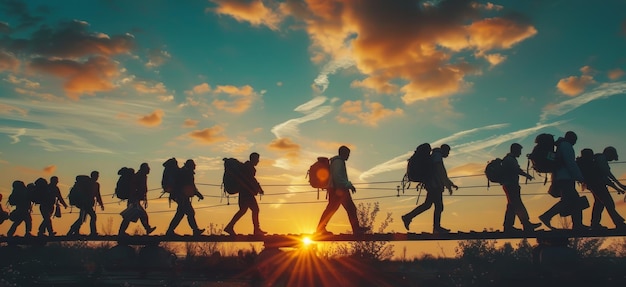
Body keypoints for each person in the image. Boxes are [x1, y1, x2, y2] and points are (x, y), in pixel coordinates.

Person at [402, 144, 458, 234]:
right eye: (448, 152)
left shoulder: (435, 155)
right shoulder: (437, 156)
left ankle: (408, 217)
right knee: (439, 206)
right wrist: (448, 184)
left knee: (427, 205)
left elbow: (440, 173)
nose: (448, 154)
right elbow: (440, 171)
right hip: (434, 185)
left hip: (432, 184)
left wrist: (449, 184)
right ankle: (436, 228)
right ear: (444, 150)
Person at [315, 146, 369, 236]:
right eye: (347, 154)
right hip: (339, 190)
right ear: (343, 153)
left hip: (336, 190)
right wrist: (348, 185)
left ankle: (320, 229)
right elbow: (338, 177)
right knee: (349, 208)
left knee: (332, 209)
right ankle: (356, 230)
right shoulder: (338, 162)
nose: (348, 156)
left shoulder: (336, 162)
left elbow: (337, 177)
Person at [539, 131, 587, 230]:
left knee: (575, 201)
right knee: (568, 201)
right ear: (571, 139)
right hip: (565, 178)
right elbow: (570, 163)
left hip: (561, 177)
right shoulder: (566, 146)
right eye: (575, 140)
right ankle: (547, 216)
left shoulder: (561, 145)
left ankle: (578, 224)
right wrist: (580, 177)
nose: (575, 142)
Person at [500, 143, 542, 232]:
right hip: (511, 185)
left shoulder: (508, 159)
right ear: (514, 150)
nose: (520, 153)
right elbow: (517, 170)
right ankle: (526, 224)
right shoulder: (510, 160)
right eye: (519, 151)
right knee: (518, 205)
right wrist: (527, 175)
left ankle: (508, 226)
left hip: (509, 185)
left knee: (512, 206)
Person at [224, 152, 267, 236]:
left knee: (243, 210)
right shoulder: (249, 168)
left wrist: (258, 188)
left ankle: (230, 226)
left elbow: (250, 180)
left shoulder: (245, 167)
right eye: (257, 159)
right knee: (255, 210)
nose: (258, 161)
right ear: (253, 159)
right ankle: (256, 230)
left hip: (243, 192)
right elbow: (251, 180)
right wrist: (259, 189)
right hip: (247, 193)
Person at [587, 147, 626, 230]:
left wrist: (618, 188)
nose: (611, 159)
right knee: (609, 203)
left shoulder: (598, 159)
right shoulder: (601, 159)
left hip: (595, 185)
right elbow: (607, 174)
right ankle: (619, 223)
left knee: (599, 204)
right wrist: (619, 185)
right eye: (612, 156)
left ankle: (595, 224)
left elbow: (606, 178)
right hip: (598, 185)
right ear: (609, 153)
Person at [166, 159, 205, 236]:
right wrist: (197, 194)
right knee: (189, 213)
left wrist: (196, 193)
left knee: (181, 213)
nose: (195, 166)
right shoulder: (186, 173)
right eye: (193, 165)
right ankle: (195, 230)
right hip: (181, 196)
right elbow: (189, 185)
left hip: (180, 196)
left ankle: (170, 231)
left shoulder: (184, 172)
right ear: (190, 166)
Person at [119, 163, 157, 236]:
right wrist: (135, 195)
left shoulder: (141, 176)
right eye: (148, 168)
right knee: (131, 216)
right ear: (144, 168)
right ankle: (121, 232)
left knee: (138, 215)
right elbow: (133, 186)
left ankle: (147, 228)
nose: (149, 169)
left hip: (135, 199)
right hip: (134, 199)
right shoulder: (139, 176)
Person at [67, 171, 104, 236]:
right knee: (93, 216)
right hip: (85, 203)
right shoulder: (89, 184)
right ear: (93, 176)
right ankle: (93, 232)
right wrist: (100, 204)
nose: (97, 177)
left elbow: (97, 195)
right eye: (96, 176)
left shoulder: (95, 184)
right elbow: (96, 195)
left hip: (86, 203)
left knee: (82, 218)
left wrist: (101, 204)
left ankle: (73, 231)